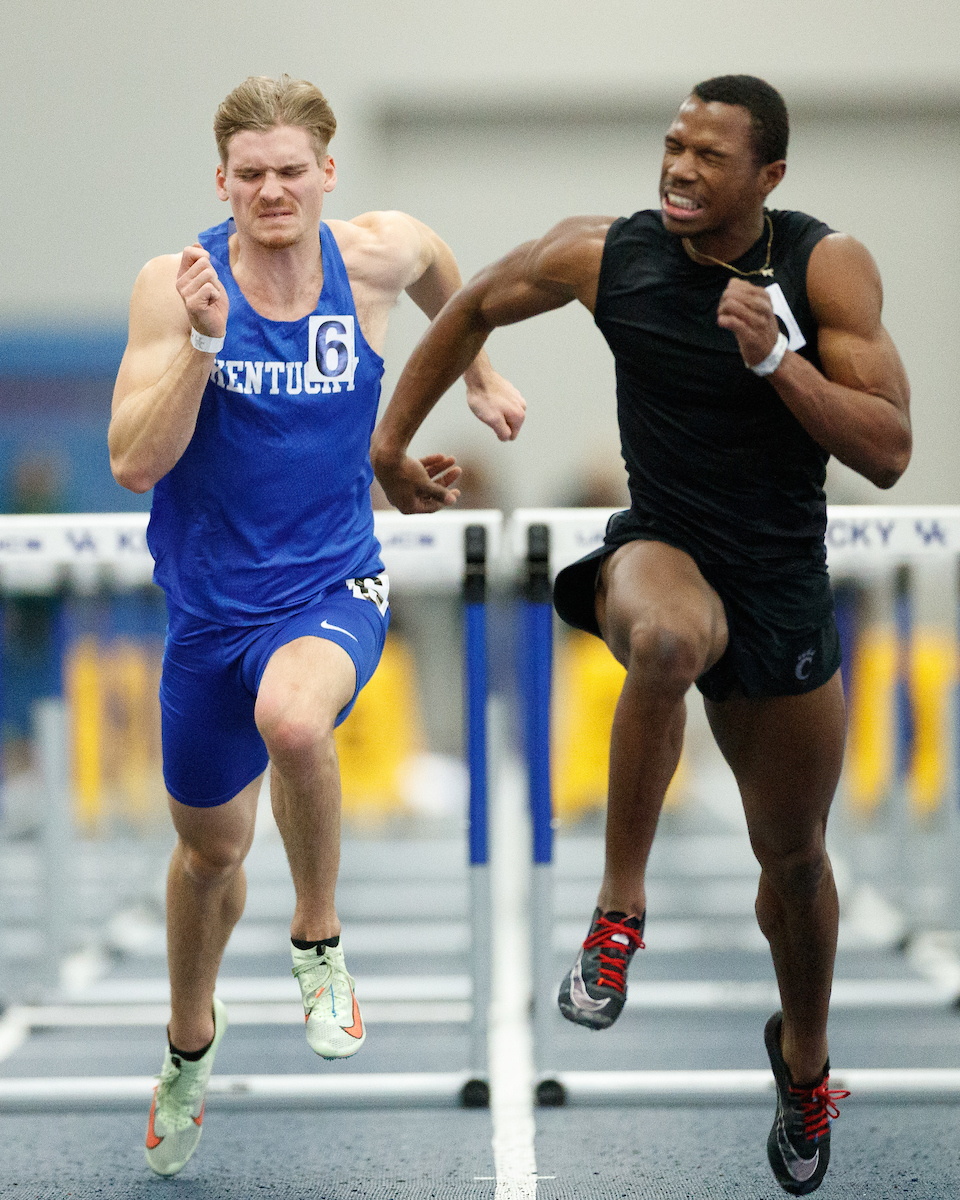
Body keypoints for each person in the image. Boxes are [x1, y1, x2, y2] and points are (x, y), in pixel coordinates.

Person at [371, 74, 911, 1195]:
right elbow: (470, 300)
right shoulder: (603, 254)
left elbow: (889, 449)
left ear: (767, 178)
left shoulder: (824, 269)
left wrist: (779, 364)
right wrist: (389, 447)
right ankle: (618, 913)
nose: (679, 167)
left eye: (710, 156)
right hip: (660, 545)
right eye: (672, 144)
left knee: (796, 864)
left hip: (779, 585)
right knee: (662, 643)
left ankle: (803, 1060)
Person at [109, 74, 524, 1178]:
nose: (273, 191)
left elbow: (448, 267)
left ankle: (319, 941)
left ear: (328, 174)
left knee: (296, 723)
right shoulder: (174, 284)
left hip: (333, 583)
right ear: (222, 183)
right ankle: (189, 1042)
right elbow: (132, 462)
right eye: (251, 175)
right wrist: (203, 345)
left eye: (293, 171)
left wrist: (477, 371)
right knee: (209, 855)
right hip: (208, 614)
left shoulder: (373, 255)